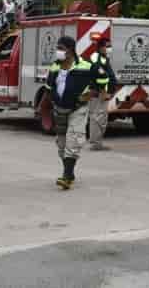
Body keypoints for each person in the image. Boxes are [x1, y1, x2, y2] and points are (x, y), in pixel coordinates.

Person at [45, 35, 107, 190]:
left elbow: (103, 78)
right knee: (61, 145)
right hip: (59, 109)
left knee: (73, 140)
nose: (58, 51)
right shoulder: (54, 66)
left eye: (61, 48)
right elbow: (48, 87)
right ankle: (69, 172)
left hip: (78, 109)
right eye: (57, 48)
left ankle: (66, 177)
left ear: (71, 50)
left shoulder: (86, 66)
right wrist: (46, 105)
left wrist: (91, 93)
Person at [87, 37, 118, 151]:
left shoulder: (104, 58)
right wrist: (104, 91)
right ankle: (96, 143)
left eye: (110, 46)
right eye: (107, 46)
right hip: (98, 93)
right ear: (100, 48)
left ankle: (97, 142)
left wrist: (111, 91)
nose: (109, 48)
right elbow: (99, 76)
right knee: (97, 118)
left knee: (101, 118)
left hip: (102, 94)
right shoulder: (96, 58)